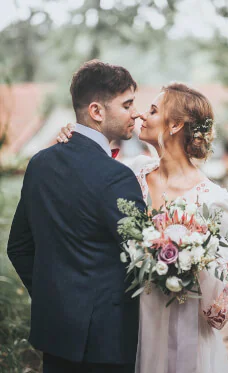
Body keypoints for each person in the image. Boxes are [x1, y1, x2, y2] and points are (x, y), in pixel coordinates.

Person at [58, 82, 228, 373]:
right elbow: (90, 170)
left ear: (174, 125)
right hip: (130, 323)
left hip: (183, 328)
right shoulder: (132, 173)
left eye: (152, 110)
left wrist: (190, 260)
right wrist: (71, 139)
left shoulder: (213, 200)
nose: (140, 116)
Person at [7, 60, 146, 373]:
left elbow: (18, 247)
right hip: (108, 341)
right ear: (96, 111)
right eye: (127, 105)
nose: (135, 113)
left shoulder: (39, 164)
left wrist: (54, 297)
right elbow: (143, 259)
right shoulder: (117, 177)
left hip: (54, 333)